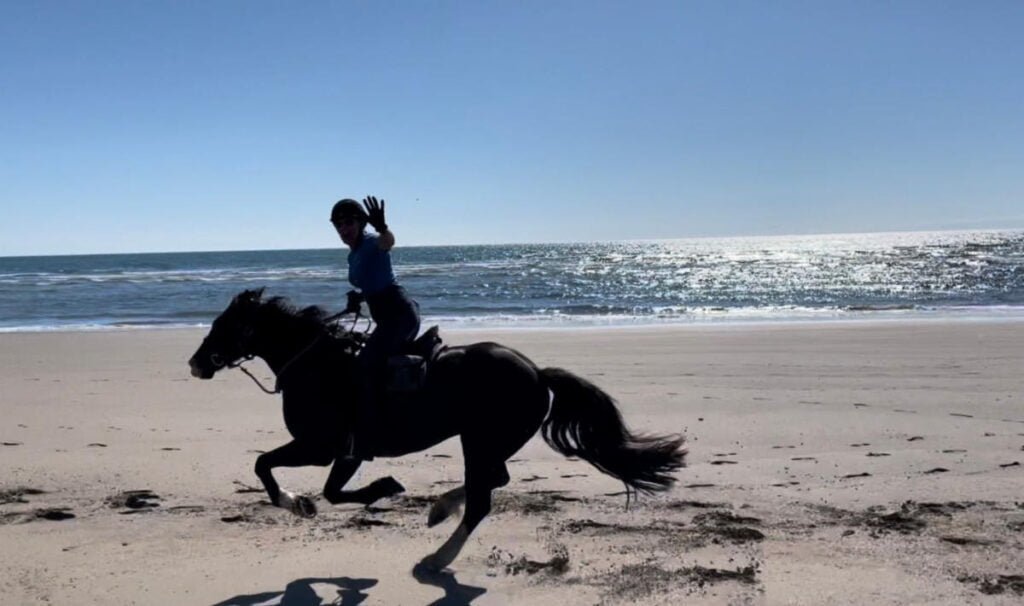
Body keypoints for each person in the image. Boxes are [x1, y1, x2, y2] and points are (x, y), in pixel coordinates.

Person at [330, 196, 420, 456]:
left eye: (347, 223)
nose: (343, 230)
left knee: (365, 365)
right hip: (386, 316)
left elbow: (387, 243)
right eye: (338, 226)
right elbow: (372, 280)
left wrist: (382, 228)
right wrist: (359, 297)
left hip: (399, 315)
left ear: (360, 223)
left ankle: (367, 434)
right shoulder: (353, 254)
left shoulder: (371, 242)